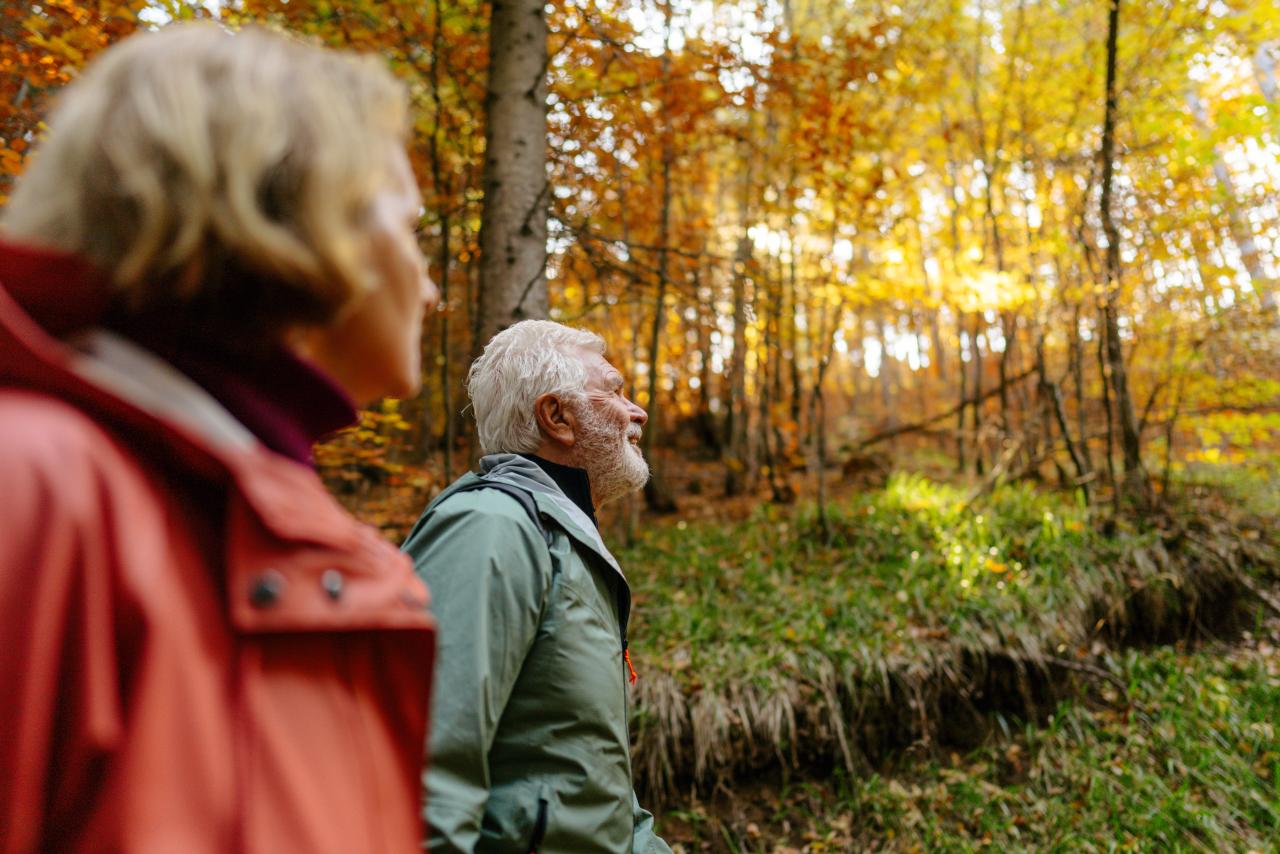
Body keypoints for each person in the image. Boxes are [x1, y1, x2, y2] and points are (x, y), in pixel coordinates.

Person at [0, 23, 440, 853]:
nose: (429, 288)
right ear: (311, 219)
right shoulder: (35, 485)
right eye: (410, 228)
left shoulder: (267, 519)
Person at [403, 320, 671, 853]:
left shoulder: (562, 534)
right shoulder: (490, 528)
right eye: (614, 391)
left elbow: (585, 776)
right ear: (557, 417)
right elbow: (424, 780)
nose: (637, 411)